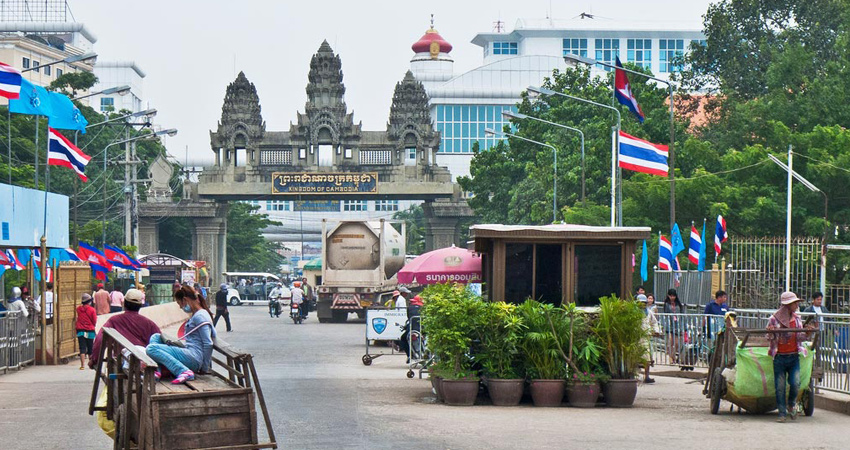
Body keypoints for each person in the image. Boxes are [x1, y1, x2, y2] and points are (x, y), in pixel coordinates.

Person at [146, 286, 217, 384]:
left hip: (194, 358)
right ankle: (157, 371)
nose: (180, 307)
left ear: (185, 300)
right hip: (189, 352)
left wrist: (204, 368)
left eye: (180, 304)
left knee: (151, 349)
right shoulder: (197, 314)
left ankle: (183, 371)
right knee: (156, 337)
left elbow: (208, 343)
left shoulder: (200, 316)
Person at [767, 291, 815, 423]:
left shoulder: (797, 319)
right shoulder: (773, 319)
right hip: (779, 357)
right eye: (795, 303)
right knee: (780, 386)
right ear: (787, 305)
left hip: (794, 356)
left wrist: (807, 333)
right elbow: (769, 338)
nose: (797, 305)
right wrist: (771, 333)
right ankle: (782, 413)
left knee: (795, 383)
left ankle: (791, 404)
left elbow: (800, 337)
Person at [89, 289, 161, 368]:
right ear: (140, 306)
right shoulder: (149, 324)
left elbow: (100, 340)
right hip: (145, 362)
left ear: (125, 304)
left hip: (122, 361)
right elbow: (160, 343)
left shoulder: (114, 320)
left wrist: (94, 359)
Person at [637, 294, 660, 384]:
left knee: (647, 358)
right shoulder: (634, 313)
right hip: (635, 338)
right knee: (635, 359)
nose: (642, 304)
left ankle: (646, 376)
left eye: (644, 303)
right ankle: (632, 375)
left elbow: (654, 322)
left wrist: (656, 331)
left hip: (645, 337)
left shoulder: (649, 312)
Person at [662, 289, 686, 364]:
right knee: (670, 342)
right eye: (671, 296)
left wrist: (684, 327)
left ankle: (673, 356)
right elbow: (665, 315)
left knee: (676, 343)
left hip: (677, 325)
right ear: (668, 296)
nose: (672, 297)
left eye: (673, 296)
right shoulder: (666, 304)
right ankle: (671, 358)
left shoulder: (678, 304)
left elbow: (682, 315)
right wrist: (664, 326)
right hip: (669, 325)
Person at [75, 294, 97, 370]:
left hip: (80, 330)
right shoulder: (92, 310)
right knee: (90, 348)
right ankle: (91, 364)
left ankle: (82, 365)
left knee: (82, 348)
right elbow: (94, 321)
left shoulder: (78, 309)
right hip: (90, 330)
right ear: (89, 301)